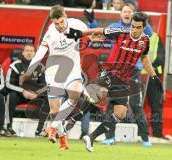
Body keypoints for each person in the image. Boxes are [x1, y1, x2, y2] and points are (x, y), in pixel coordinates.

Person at [66, 12, 162, 152]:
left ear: (144, 27)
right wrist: (81, 34)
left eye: (138, 27)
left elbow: (145, 60)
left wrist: (154, 76)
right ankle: (72, 119)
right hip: (110, 71)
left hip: (124, 80)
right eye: (133, 26)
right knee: (100, 94)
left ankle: (91, 137)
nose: (134, 30)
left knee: (121, 113)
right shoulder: (121, 32)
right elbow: (99, 30)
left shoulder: (145, 42)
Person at [19, 5, 89, 150]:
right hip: (54, 72)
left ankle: (53, 126)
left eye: (62, 22)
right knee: (55, 111)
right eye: (56, 23)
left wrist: (96, 34)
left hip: (72, 69)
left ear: (66, 16)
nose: (59, 26)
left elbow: (89, 34)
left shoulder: (77, 24)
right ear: (52, 21)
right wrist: (28, 72)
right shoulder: (50, 33)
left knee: (75, 95)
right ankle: (62, 138)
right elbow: (39, 54)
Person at [84, 3, 153, 147]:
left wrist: (152, 74)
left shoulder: (144, 35)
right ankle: (109, 137)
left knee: (132, 107)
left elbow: (146, 43)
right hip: (113, 70)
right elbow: (101, 33)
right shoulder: (117, 28)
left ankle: (145, 138)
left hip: (132, 74)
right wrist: (90, 24)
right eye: (124, 11)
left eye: (130, 11)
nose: (127, 14)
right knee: (107, 102)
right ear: (120, 14)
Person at [5, 44, 49, 136]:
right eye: (27, 50)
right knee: (10, 96)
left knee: (48, 100)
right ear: (23, 53)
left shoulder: (40, 67)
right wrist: (23, 91)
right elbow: (8, 83)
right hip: (20, 95)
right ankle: (9, 127)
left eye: (31, 51)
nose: (29, 53)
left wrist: (36, 93)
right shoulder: (15, 65)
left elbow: (45, 85)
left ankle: (39, 130)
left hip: (34, 96)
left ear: (35, 53)